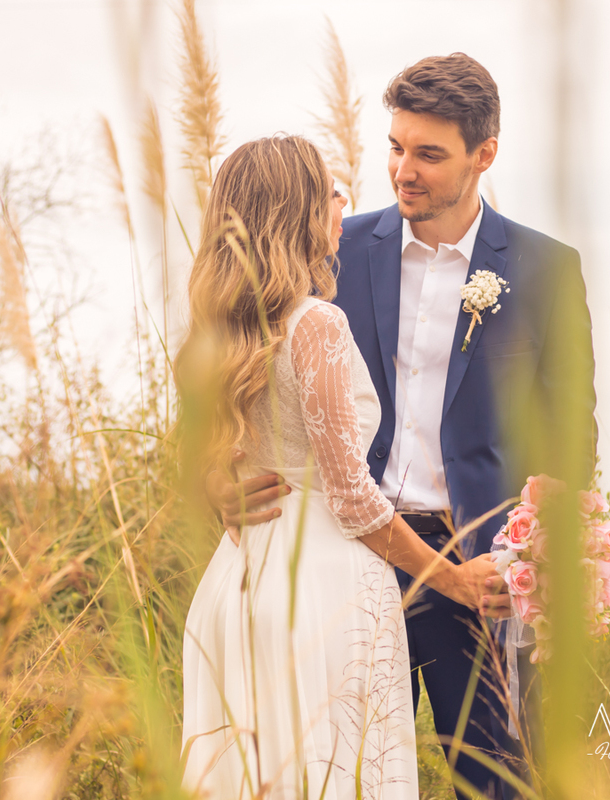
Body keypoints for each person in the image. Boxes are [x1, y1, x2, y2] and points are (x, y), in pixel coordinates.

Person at [211, 54, 597, 799]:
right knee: (333, 773)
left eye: (428, 154)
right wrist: (214, 477)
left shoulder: (547, 270)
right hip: (339, 559)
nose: (402, 170)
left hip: (475, 569)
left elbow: (572, 442)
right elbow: (237, 369)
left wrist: (536, 558)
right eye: (395, 146)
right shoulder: (330, 244)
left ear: (485, 154)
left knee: (490, 784)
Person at [177, 135, 506, 799]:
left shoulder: (215, 332)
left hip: (234, 586)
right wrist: (456, 582)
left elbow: (197, 462)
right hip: (322, 589)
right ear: (294, 208)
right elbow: (352, 500)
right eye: (329, 191)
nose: (345, 203)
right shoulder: (315, 325)